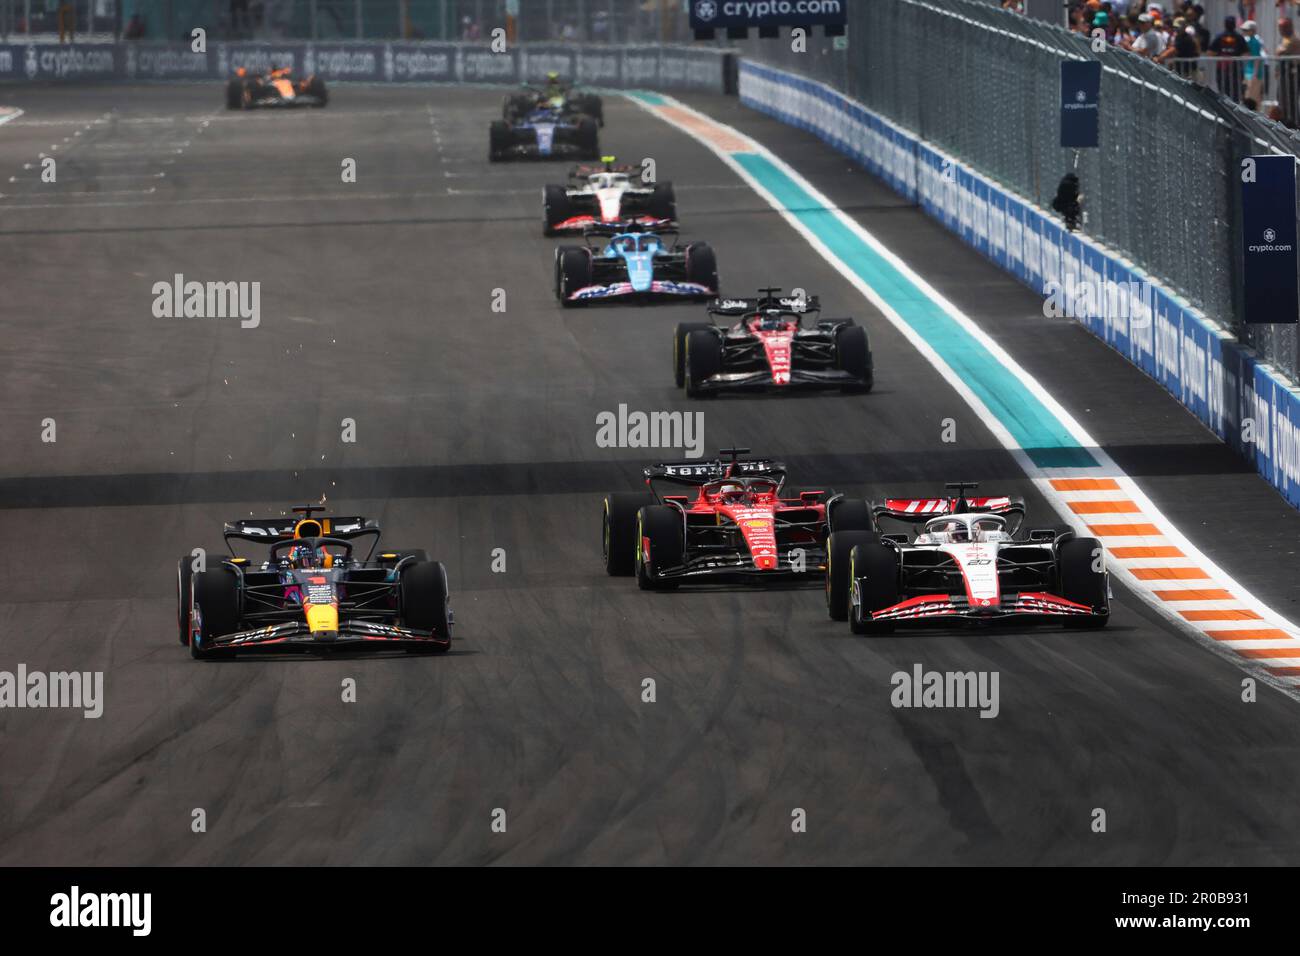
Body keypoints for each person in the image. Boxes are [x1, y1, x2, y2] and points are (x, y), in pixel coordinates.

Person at [1208, 16, 1248, 100]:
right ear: (1234, 25)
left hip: (1223, 69)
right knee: (1235, 95)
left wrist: (1221, 55)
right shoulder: (1239, 37)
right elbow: (1246, 54)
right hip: (1235, 70)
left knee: (1223, 94)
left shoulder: (1219, 36)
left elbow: (1210, 52)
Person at [1277, 18, 1300, 125]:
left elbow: (1280, 52)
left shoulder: (1293, 39)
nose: (1280, 31)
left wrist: (1280, 50)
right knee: (1283, 97)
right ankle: (1287, 120)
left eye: (1283, 28)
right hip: (1286, 73)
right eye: (1280, 28)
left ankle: (1293, 123)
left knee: (1291, 98)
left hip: (1293, 73)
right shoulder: (1286, 39)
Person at [1241, 20, 1266, 104]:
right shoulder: (1249, 40)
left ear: (1253, 30)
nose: (1244, 32)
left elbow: (1257, 59)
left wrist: (1254, 74)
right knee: (1248, 96)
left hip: (1254, 74)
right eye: (1243, 30)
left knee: (1253, 98)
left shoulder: (1255, 42)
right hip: (1249, 72)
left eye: (1246, 30)